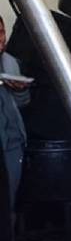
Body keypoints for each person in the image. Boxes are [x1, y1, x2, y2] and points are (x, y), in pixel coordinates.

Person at [0, 18, 29, 217]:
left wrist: (19, 90)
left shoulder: (9, 62)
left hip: (11, 144)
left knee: (7, 206)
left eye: (1, 32)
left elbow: (22, 103)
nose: (0, 39)